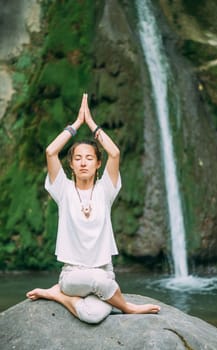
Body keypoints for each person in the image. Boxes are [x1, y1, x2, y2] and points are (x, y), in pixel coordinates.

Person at [26, 93, 161, 324]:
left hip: (104, 272)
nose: (83, 162)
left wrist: (93, 125)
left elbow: (115, 153)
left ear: (98, 164)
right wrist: (77, 125)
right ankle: (128, 308)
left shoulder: (105, 190)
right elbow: (50, 151)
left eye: (89, 158)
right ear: (71, 164)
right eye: (77, 158)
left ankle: (55, 294)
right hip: (73, 275)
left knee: (93, 315)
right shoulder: (63, 190)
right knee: (102, 286)